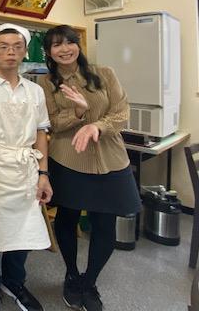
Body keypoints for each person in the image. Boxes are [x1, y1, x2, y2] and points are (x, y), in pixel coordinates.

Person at [37, 25, 140, 311]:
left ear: (78, 45)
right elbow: (52, 123)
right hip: (68, 160)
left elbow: (122, 112)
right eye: (57, 45)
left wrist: (97, 125)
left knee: (105, 224)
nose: (65, 49)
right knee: (66, 220)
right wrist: (79, 112)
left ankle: (89, 281)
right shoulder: (46, 83)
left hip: (111, 160)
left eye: (70, 42)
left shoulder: (104, 73)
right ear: (48, 52)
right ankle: (71, 275)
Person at [0, 23, 52, 311]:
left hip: (26, 168)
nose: (10, 52)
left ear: (25, 51)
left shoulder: (35, 91)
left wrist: (43, 174)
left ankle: (14, 282)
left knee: (24, 231)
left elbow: (41, 132)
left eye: (17, 47)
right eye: (3, 47)